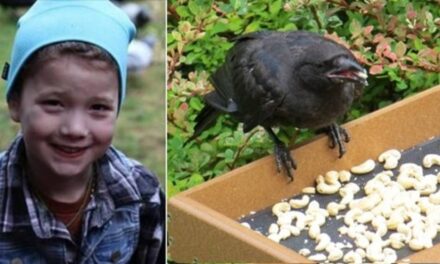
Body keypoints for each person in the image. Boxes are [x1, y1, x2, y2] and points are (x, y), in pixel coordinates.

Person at [0, 0, 164, 263]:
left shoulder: (143, 196)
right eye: (53, 103)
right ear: (15, 103)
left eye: (98, 107)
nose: (75, 129)